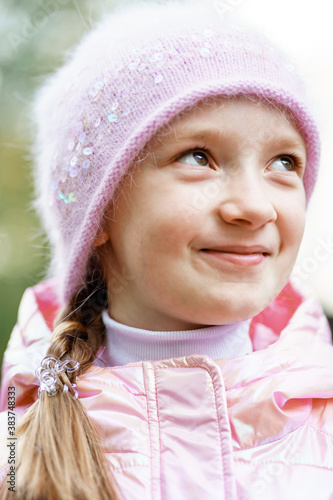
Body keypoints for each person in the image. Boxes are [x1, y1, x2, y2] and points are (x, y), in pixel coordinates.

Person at [1, 1, 333, 499]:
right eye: (198, 157)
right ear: (100, 210)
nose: (254, 206)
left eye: (284, 162)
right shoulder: (17, 440)